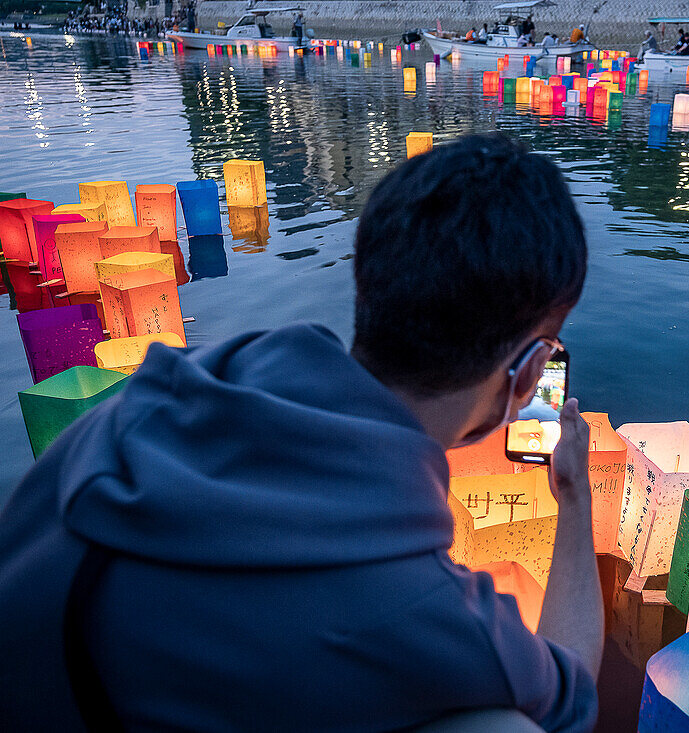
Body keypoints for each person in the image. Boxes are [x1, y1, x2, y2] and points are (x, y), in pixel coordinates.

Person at [0, 134, 602, 732]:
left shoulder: (143, 407)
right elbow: (571, 692)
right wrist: (573, 499)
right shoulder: (420, 612)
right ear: (526, 372)